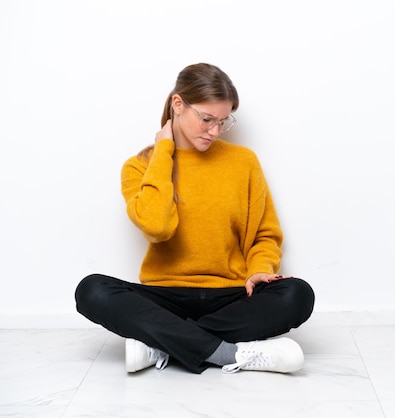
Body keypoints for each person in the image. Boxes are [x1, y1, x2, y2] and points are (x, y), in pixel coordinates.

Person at [75, 63, 315, 374]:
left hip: (232, 294)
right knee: (91, 290)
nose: (214, 131)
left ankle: (159, 344)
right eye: (206, 119)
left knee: (297, 295)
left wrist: (259, 270)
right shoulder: (139, 167)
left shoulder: (243, 162)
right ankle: (229, 354)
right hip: (164, 296)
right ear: (178, 104)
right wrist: (163, 151)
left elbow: (264, 235)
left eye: (222, 121)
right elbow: (157, 227)